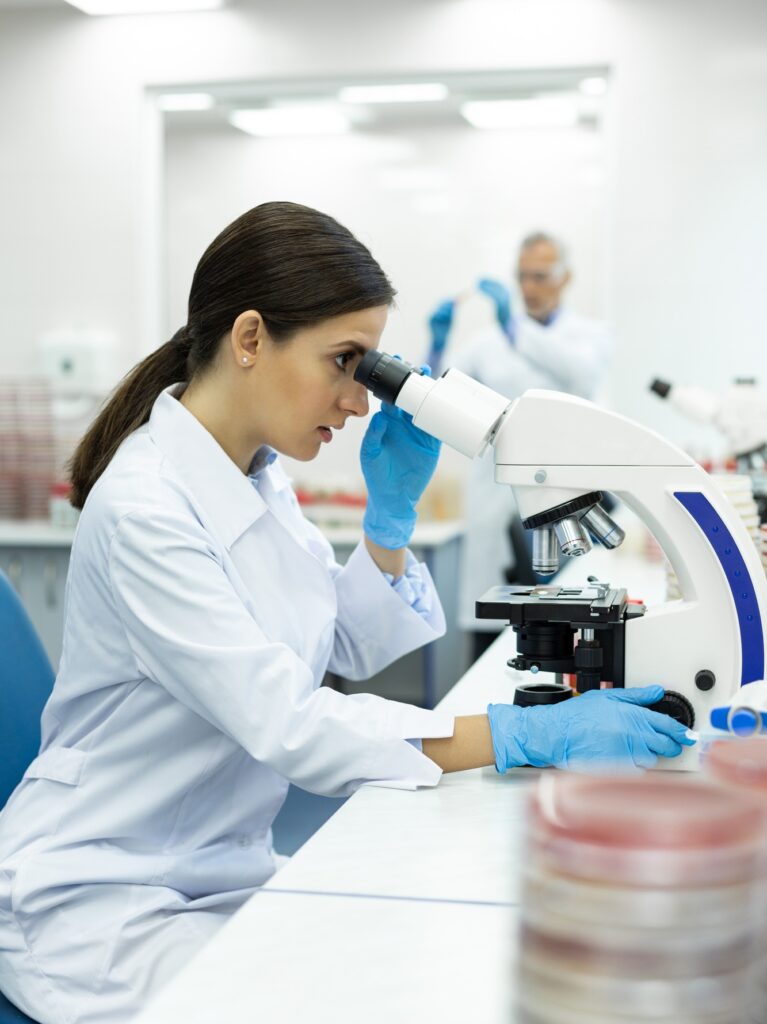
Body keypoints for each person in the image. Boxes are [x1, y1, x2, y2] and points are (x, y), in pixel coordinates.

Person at [0, 203, 692, 1024]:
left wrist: (386, 526)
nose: (358, 401)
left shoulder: (257, 475)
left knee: (410, 957)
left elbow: (343, 643)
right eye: (343, 362)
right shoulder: (145, 507)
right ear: (249, 338)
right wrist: (518, 735)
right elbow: (286, 722)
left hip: (215, 870)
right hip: (104, 899)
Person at [428, 232, 612, 660]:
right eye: (522, 277)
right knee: (494, 628)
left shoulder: (589, 336)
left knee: (567, 624)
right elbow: (439, 398)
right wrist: (436, 345)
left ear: (566, 278)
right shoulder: (484, 345)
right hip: (495, 500)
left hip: (565, 499)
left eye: (540, 277)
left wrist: (517, 329)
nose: (529, 287)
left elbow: (583, 375)